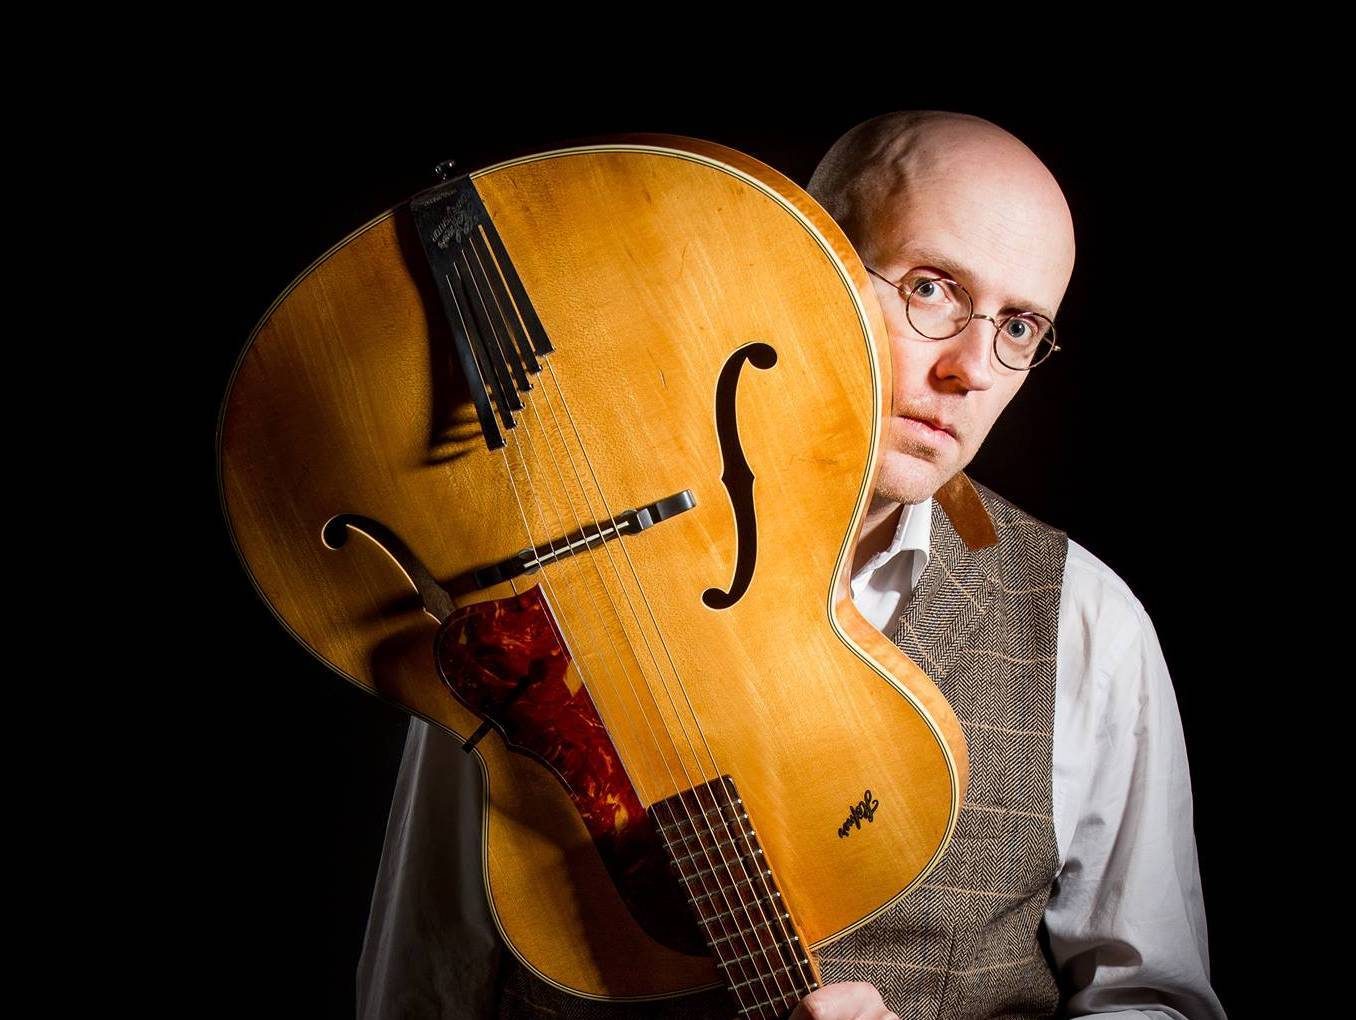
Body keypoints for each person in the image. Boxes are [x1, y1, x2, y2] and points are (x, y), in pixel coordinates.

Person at [357, 111, 1227, 1020]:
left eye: (1019, 325)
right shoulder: (562, 571)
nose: (973, 368)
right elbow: (426, 976)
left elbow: (1155, 1003)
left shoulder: (1084, 623)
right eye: (932, 289)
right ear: (801, 263)